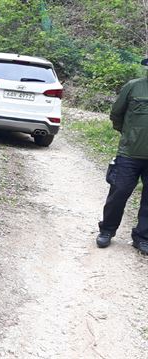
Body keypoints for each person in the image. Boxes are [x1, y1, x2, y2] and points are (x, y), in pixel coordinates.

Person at [95, 57, 148, 254]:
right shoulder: (133, 87)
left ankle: (142, 238)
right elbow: (116, 114)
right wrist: (129, 135)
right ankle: (107, 230)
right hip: (129, 154)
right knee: (119, 193)